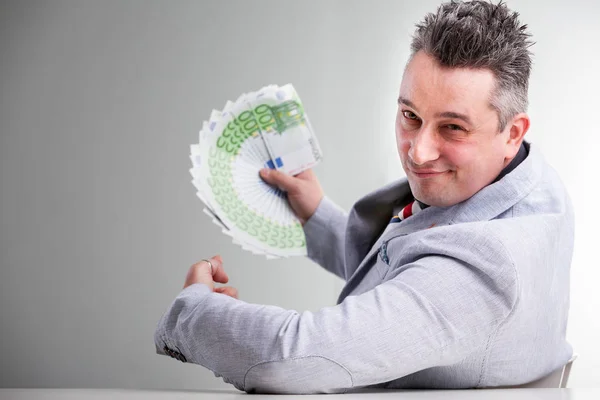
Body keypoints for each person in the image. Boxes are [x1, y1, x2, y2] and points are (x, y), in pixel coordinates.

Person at [154, 0, 574, 393]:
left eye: (453, 128)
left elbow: (290, 358)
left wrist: (190, 313)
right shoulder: (531, 182)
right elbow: (417, 269)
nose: (418, 151)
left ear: (513, 131)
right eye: (410, 116)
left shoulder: (484, 267)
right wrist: (317, 215)